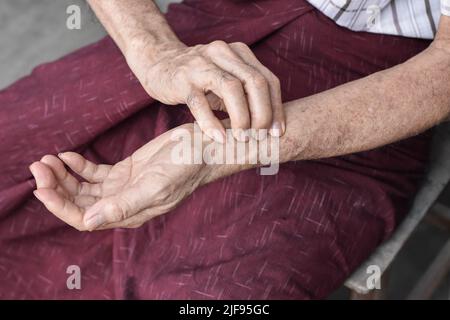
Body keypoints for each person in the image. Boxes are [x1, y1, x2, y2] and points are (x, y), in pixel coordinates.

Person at [1, 0, 449, 299]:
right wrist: (155, 52)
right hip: (206, 29)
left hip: (369, 91)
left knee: (215, 294)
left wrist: (227, 149)